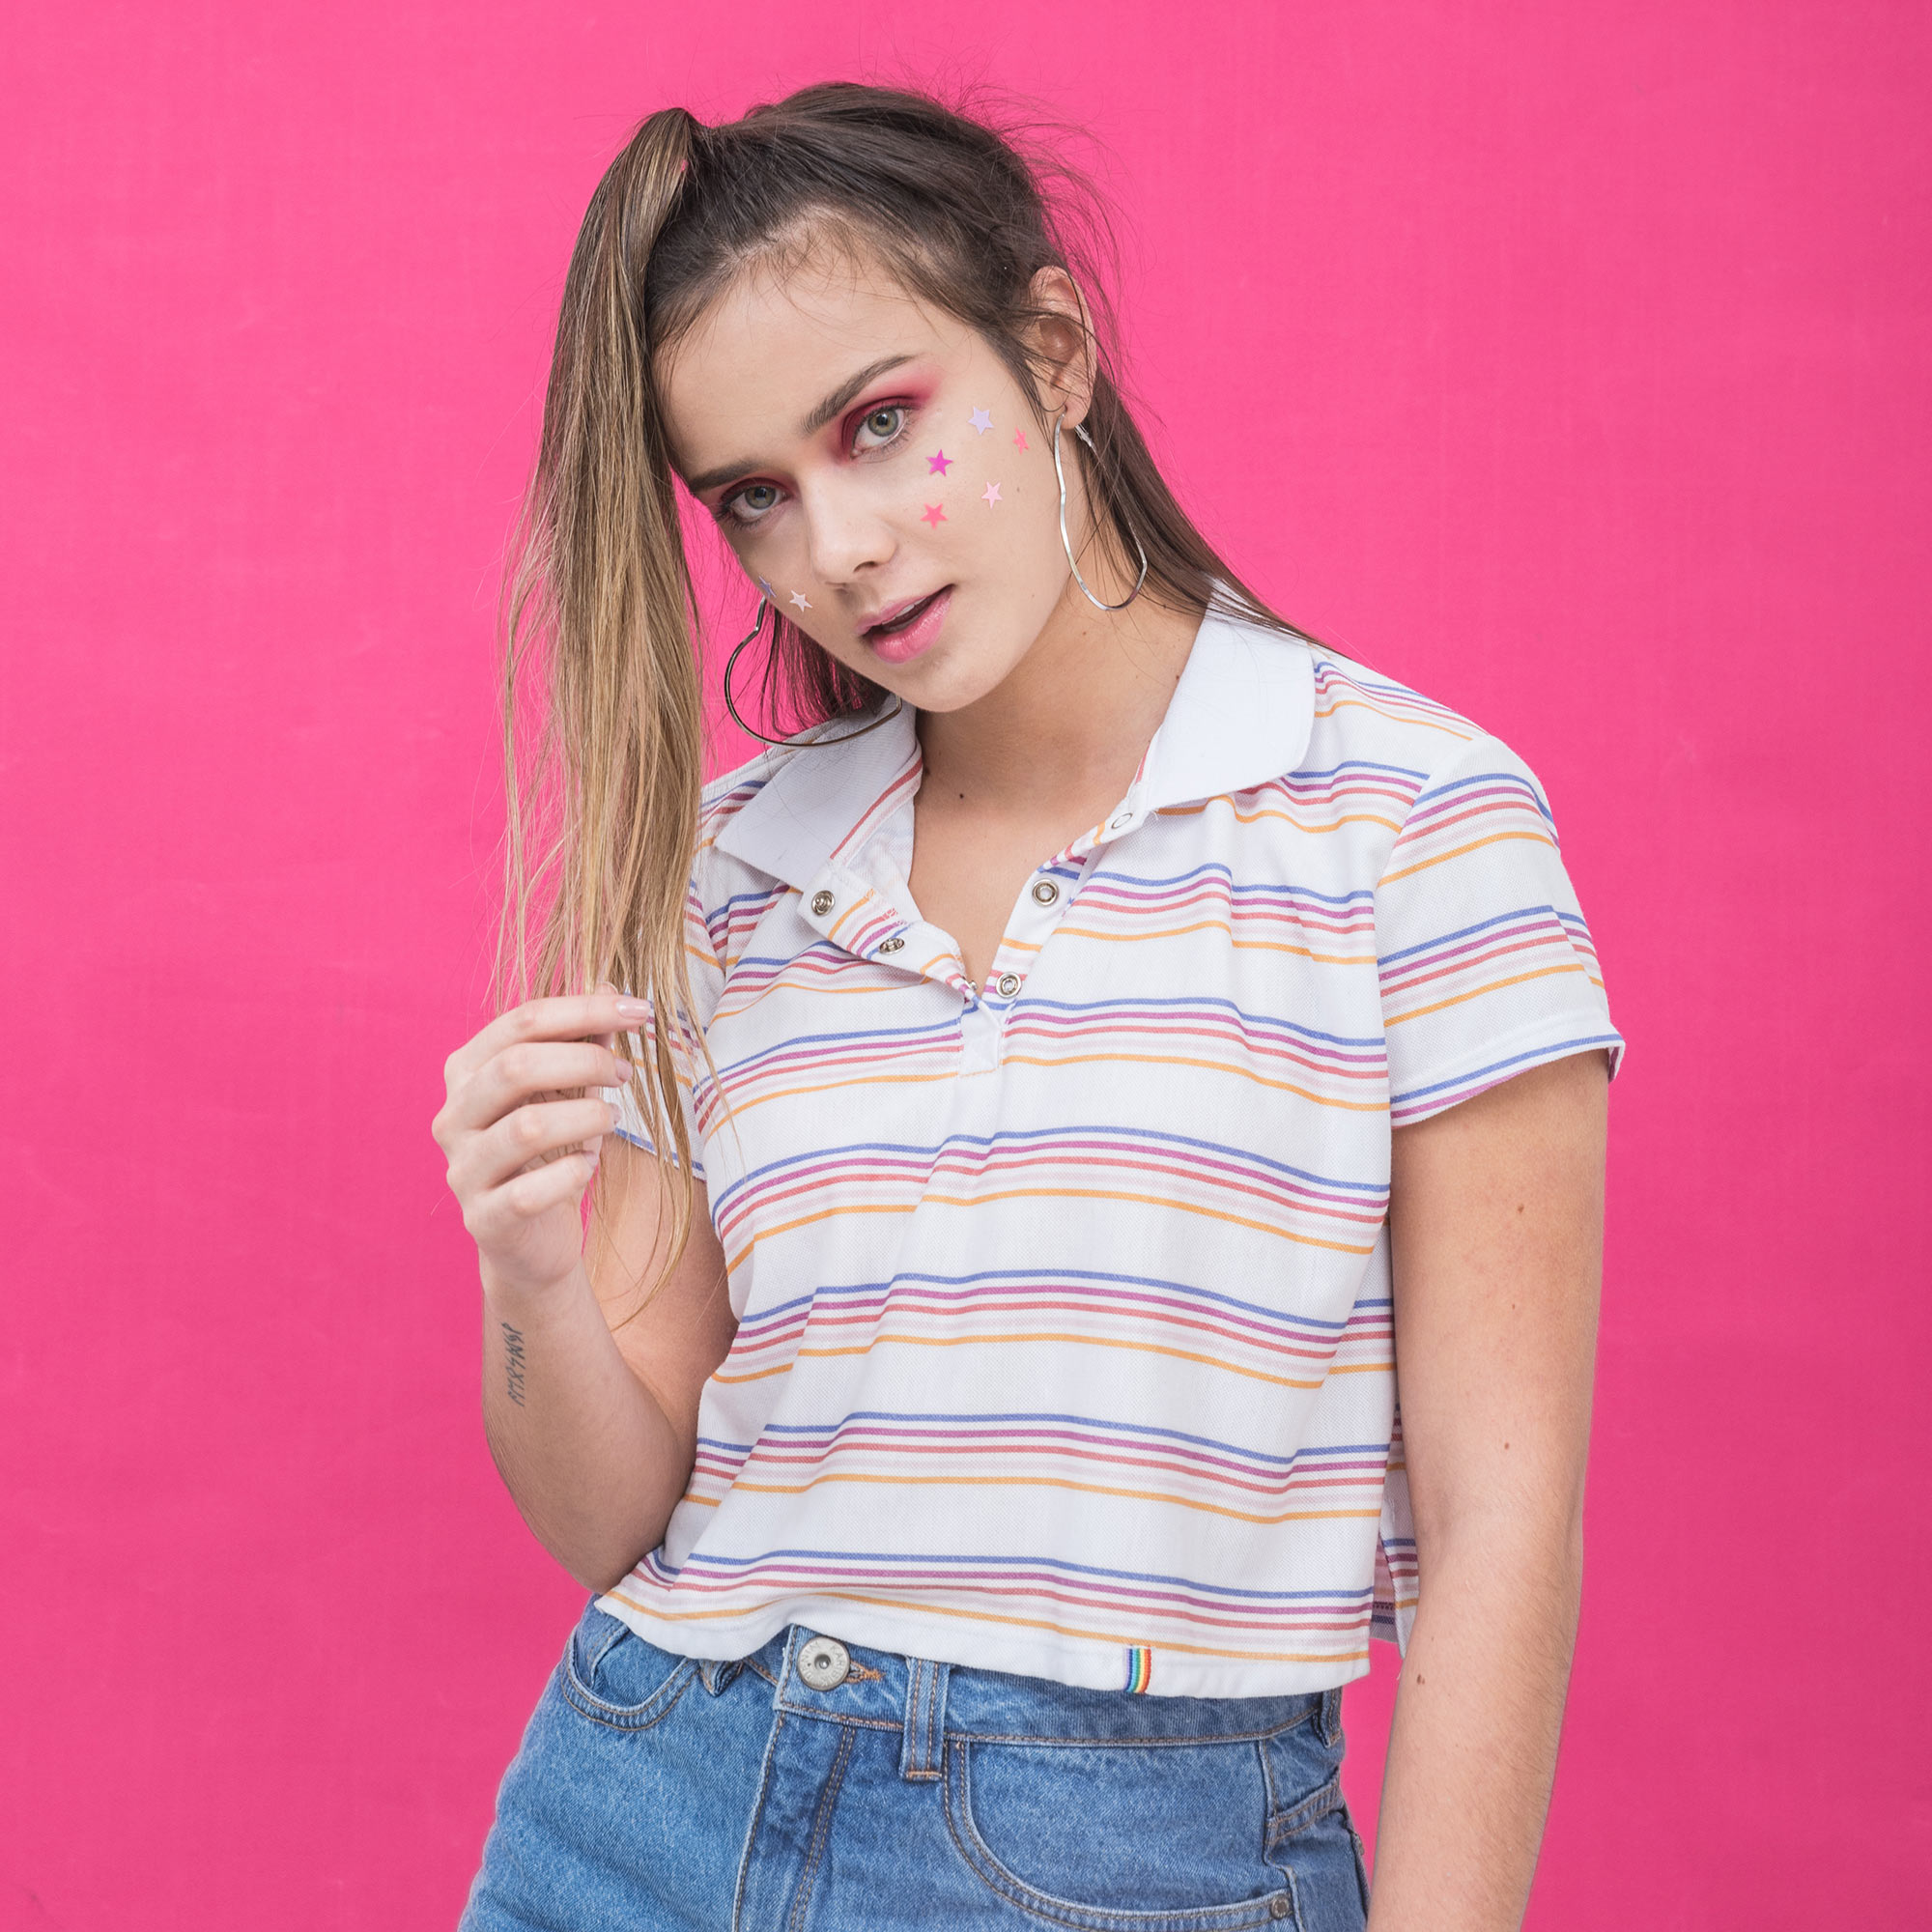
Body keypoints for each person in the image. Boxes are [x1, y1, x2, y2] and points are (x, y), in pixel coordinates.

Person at [433, 82, 1624, 1932]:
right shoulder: (734, 870)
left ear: (1052, 353)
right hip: (641, 1814)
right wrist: (529, 1277)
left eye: (880, 424)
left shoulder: (1409, 824)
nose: (838, 547)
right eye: (756, 497)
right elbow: (611, 1513)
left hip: (1129, 1857)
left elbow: (1502, 1531)